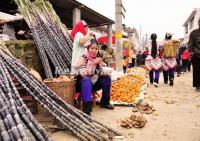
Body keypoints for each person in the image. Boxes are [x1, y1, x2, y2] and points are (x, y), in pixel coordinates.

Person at [75, 39, 114, 115]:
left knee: (107, 78)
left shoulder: (97, 59)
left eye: (96, 49)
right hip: (82, 85)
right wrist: (93, 64)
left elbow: (99, 72)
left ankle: (105, 103)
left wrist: (105, 71)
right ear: (88, 49)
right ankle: (87, 110)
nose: (94, 51)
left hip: (93, 84)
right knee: (86, 80)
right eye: (92, 48)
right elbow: (83, 73)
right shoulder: (82, 59)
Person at [188, 17, 200, 92]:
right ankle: (197, 86)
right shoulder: (194, 33)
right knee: (196, 71)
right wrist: (192, 53)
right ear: (198, 23)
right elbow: (190, 45)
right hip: (196, 55)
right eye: (199, 21)